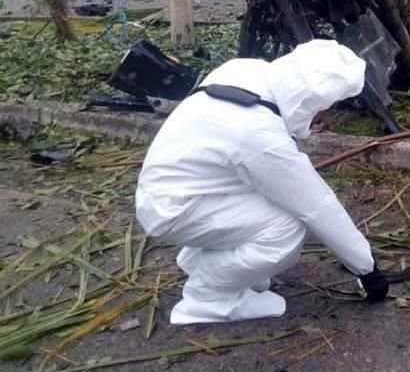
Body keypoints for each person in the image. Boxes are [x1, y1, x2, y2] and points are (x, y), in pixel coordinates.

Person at [135, 40, 389, 325]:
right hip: (173, 209)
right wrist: (367, 269)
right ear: (307, 99)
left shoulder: (248, 71)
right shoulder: (257, 135)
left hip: (180, 190)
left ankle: (206, 265)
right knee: (285, 228)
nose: (328, 116)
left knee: (271, 204)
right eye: (327, 106)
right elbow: (316, 204)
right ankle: (208, 298)